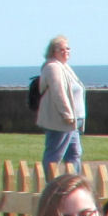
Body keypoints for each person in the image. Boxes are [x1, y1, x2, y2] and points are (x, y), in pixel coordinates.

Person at [36, 36, 86, 173]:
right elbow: (58, 92)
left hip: (74, 121)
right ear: (53, 51)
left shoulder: (64, 67)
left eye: (67, 48)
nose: (66, 51)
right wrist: (67, 114)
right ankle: (50, 184)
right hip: (62, 120)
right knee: (55, 154)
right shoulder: (52, 67)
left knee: (75, 153)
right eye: (61, 49)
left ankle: (73, 183)